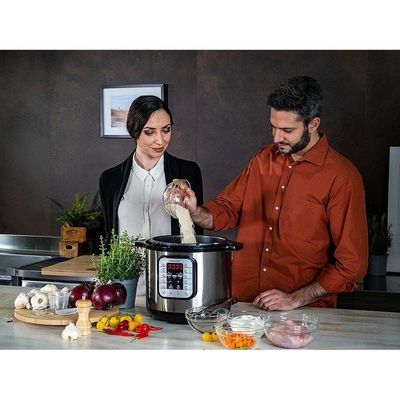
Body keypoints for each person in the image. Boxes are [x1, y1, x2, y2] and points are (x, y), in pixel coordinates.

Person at [184, 76, 368, 310]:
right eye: (273, 126)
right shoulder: (263, 159)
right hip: (243, 305)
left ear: (313, 124)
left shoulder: (342, 177)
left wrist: (294, 299)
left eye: (287, 130)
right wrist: (195, 211)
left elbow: (352, 265)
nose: (276, 137)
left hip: (302, 314)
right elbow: (228, 209)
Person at [99, 95, 203, 295]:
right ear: (135, 131)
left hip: (174, 289)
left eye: (166, 129)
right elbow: (109, 237)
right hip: (125, 290)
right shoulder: (110, 179)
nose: (160, 140)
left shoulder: (188, 172)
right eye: (149, 132)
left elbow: (196, 234)